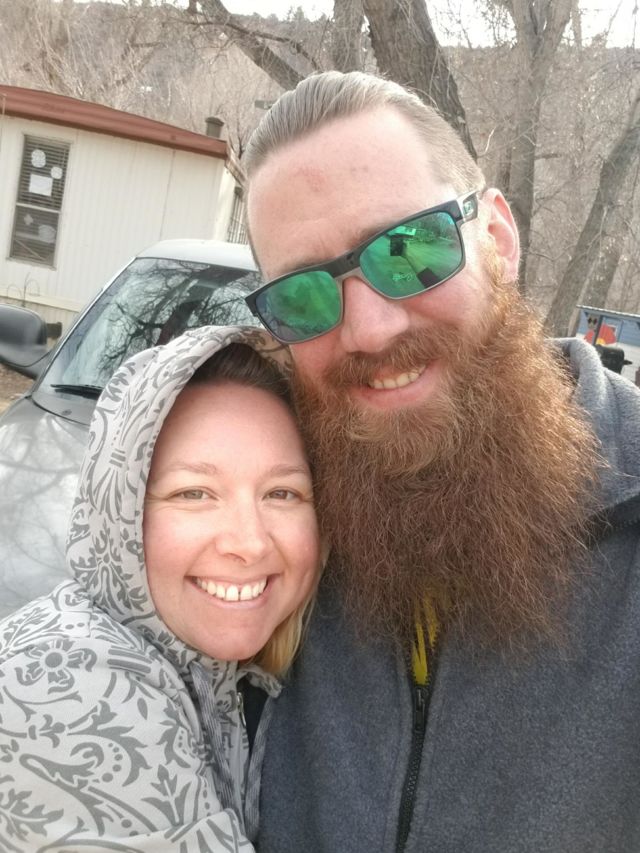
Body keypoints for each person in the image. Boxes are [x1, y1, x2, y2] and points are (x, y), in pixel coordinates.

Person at [241, 71, 640, 853]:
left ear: (497, 240)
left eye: (409, 249)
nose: (369, 329)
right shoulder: (255, 533)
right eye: (304, 296)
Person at [0, 325, 321, 851]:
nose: (250, 542)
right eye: (194, 493)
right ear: (121, 512)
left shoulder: (220, 676)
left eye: (282, 493)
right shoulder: (70, 687)